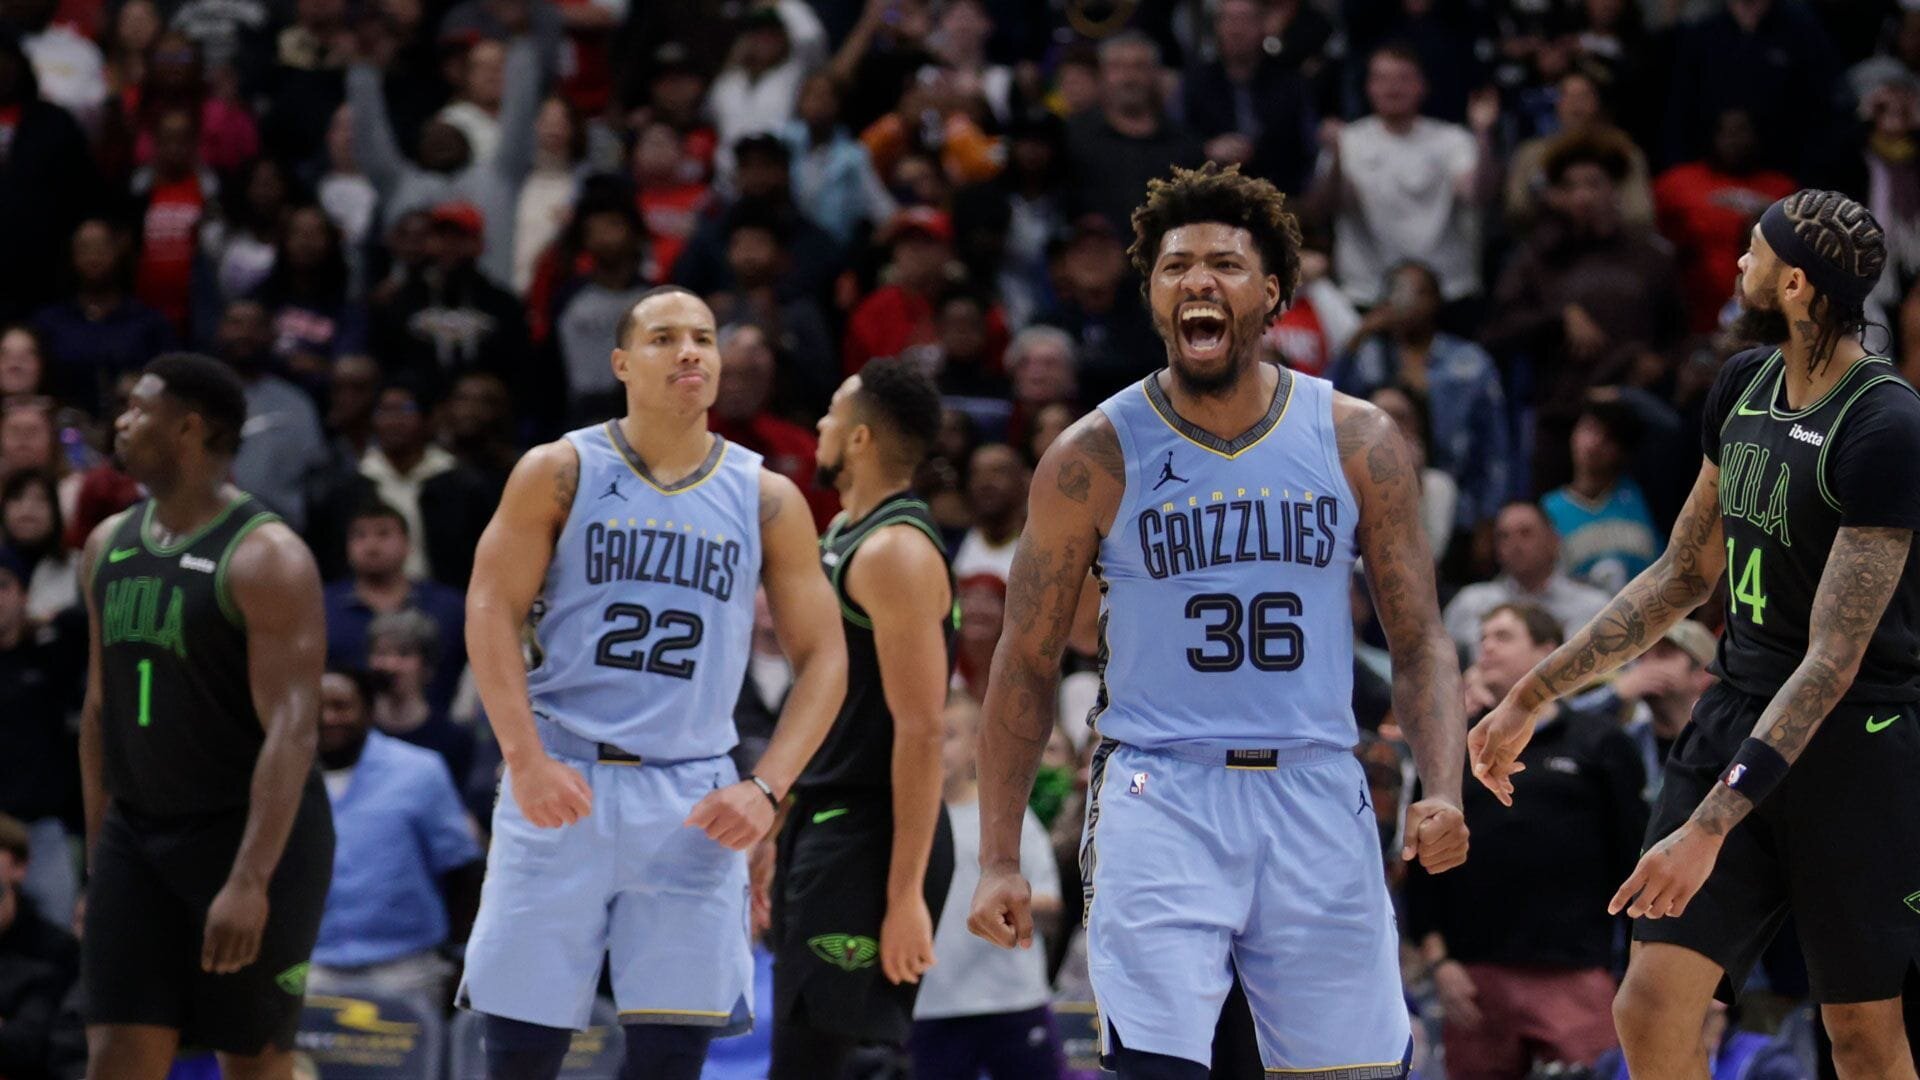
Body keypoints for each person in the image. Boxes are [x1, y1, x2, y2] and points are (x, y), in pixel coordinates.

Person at [967, 163, 1469, 1078]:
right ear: (1153, 295)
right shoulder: (1092, 454)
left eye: (1226, 265)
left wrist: (1444, 783)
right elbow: (1027, 658)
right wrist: (1001, 853)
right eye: (1176, 266)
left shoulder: (1356, 438)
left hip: (1317, 784)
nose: (1200, 280)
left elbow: (1420, 636)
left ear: (1272, 291)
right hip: (1162, 792)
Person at [1473, 190, 1920, 1080]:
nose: (1737, 266)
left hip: (1855, 743)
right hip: (1737, 706)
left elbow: (1832, 661)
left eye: (1752, 252)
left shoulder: (1886, 424)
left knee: (1863, 1037)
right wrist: (1536, 690)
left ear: (1795, 283)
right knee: (1647, 1003)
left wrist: (1713, 824)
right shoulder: (1742, 384)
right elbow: (1682, 574)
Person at [458, 285, 847, 1080]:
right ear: (622, 363)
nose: (692, 352)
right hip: (561, 774)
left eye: (703, 337)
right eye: (666, 337)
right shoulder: (560, 470)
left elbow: (827, 660)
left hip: (692, 795)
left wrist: (768, 789)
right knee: (520, 1054)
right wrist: (524, 759)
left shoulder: (766, 496)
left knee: (672, 1059)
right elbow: (489, 609)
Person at [77, 353, 335, 1080]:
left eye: (137, 409)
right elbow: (99, 714)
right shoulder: (105, 547)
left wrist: (251, 878)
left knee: (253, 1063)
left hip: (244, 837)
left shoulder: (267, 557)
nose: (121, 423)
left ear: (188, 428)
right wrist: (103, 864)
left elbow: (293, 731)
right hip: (138, 834)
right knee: (116, 1058)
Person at [767, 357, 956, 1077]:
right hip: (828, 821)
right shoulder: (846, 532)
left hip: (872, 835)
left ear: (859, 439)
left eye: (831, 415)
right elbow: (828, 702)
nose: (818, 425)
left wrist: (904, 894)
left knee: (833, 1063)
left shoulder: (893, 552)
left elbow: (923, 728)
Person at [1409, 604, 1645, 1080]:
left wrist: (1631, 967)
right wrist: (1441, 964)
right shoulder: (1451, 750)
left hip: (1575, 968)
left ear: (1547, 651)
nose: (1487, 645)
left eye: (1504, 635)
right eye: (1484, 636)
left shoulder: (1599, 742)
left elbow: (1633, 856)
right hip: (1475, 974)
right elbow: (1419, 866)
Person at [910, 694, 1065, 1080]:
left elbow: (1049, 902)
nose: (936, 747)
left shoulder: (1008, 817)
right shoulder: (902, 823)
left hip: (1012, 998)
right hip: (932, 1003)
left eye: (948, 735)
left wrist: (1008, 911)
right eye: (927, 734)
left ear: (976, 745)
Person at [308, 665, 483, 1001]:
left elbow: (462, 869)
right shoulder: (280, 775)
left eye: (341, 706)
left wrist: (461, 956)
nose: (328, 718)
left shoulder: (420, 771)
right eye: (317, 708)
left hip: (407, 968)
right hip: (310, 966)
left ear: (369, 710)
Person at [1442, 502, 1611, 653]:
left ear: (1554, 541)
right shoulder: (1469, 604)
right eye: (1504, 536)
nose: (1515, 544)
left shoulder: (1594, 608)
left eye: (1526, 533)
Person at [1541, 398, 1660, 593]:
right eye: (1590, 430)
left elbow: (1667, 426)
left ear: (1623, 451)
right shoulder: (1548, 509)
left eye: (1608, 438)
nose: (1595, 444)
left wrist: (1621, 393)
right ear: (1574, 434)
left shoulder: (1644, 495)